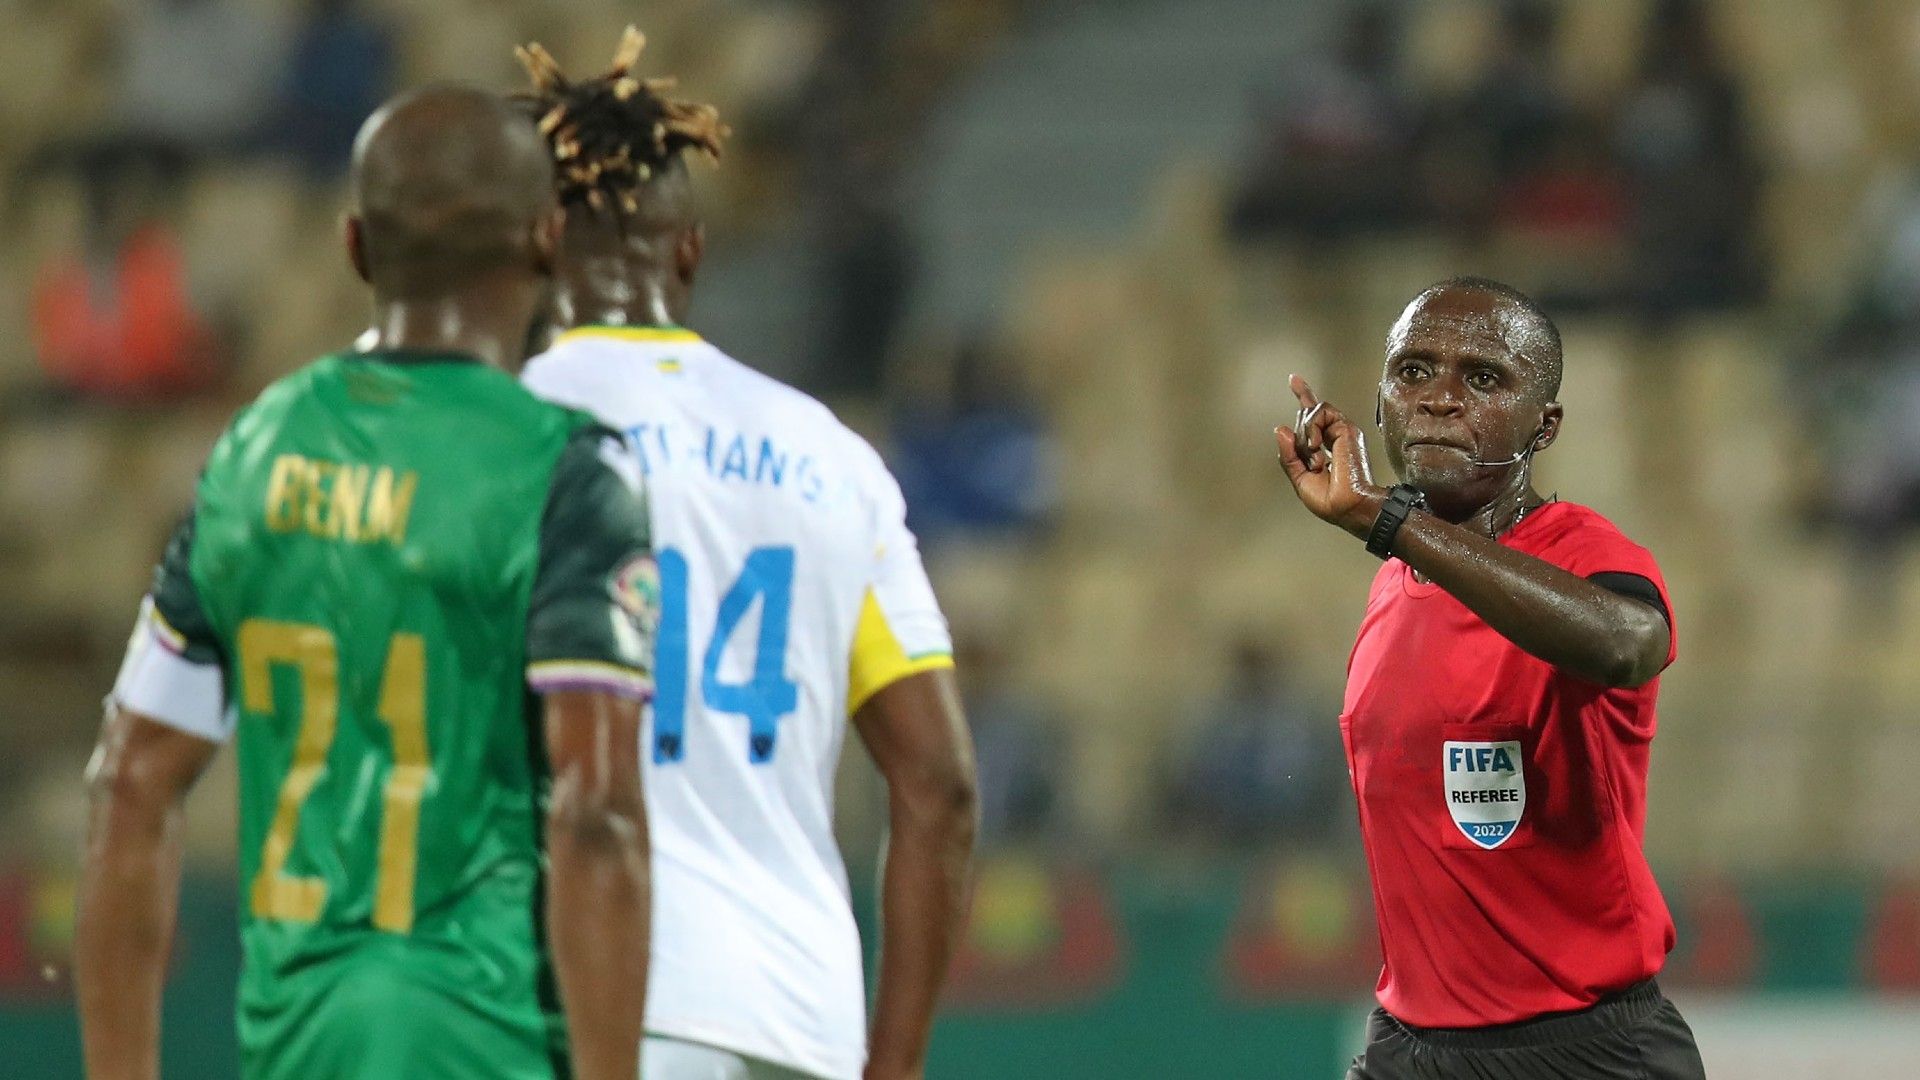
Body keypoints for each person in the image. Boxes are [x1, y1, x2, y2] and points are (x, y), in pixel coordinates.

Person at [75, 87, 657, 1080]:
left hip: (296, 1044)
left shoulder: (251, 456)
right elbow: (593, 808)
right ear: (548, 242)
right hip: (485, 1039)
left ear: (353, 246)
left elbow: (130, 783)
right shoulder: (562, 475)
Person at [513, 30, 978, 1080]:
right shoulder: (828, 453)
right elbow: (940, 784)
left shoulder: (500, 435)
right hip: (793, 1018)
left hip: (565, 1005)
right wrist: (891, 1063)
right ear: (690, 250)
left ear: (538, 242)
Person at [1273, 277, 1705, 1079]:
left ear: (1545, 426)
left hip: (1582, 1051)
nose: (1439, 399)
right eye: (1413, 372)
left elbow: (1628, 642)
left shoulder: (1586, 556)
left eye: (1483, 377)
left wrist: (1386, 519)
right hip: (1410, 1044)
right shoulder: (1395, 582)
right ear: (1379, 404)